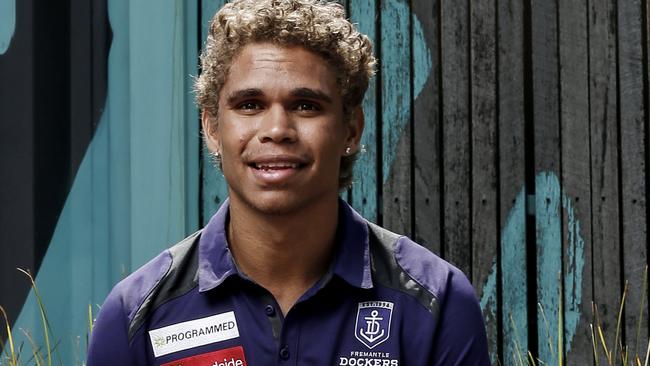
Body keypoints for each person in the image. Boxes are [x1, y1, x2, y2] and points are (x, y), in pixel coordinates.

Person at [86, 0, 490, 365]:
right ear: (212, 127)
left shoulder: (436, 302)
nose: (277, 129)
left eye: (305, 105)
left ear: (351, 129)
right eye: (250, 105)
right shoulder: (137, 315)